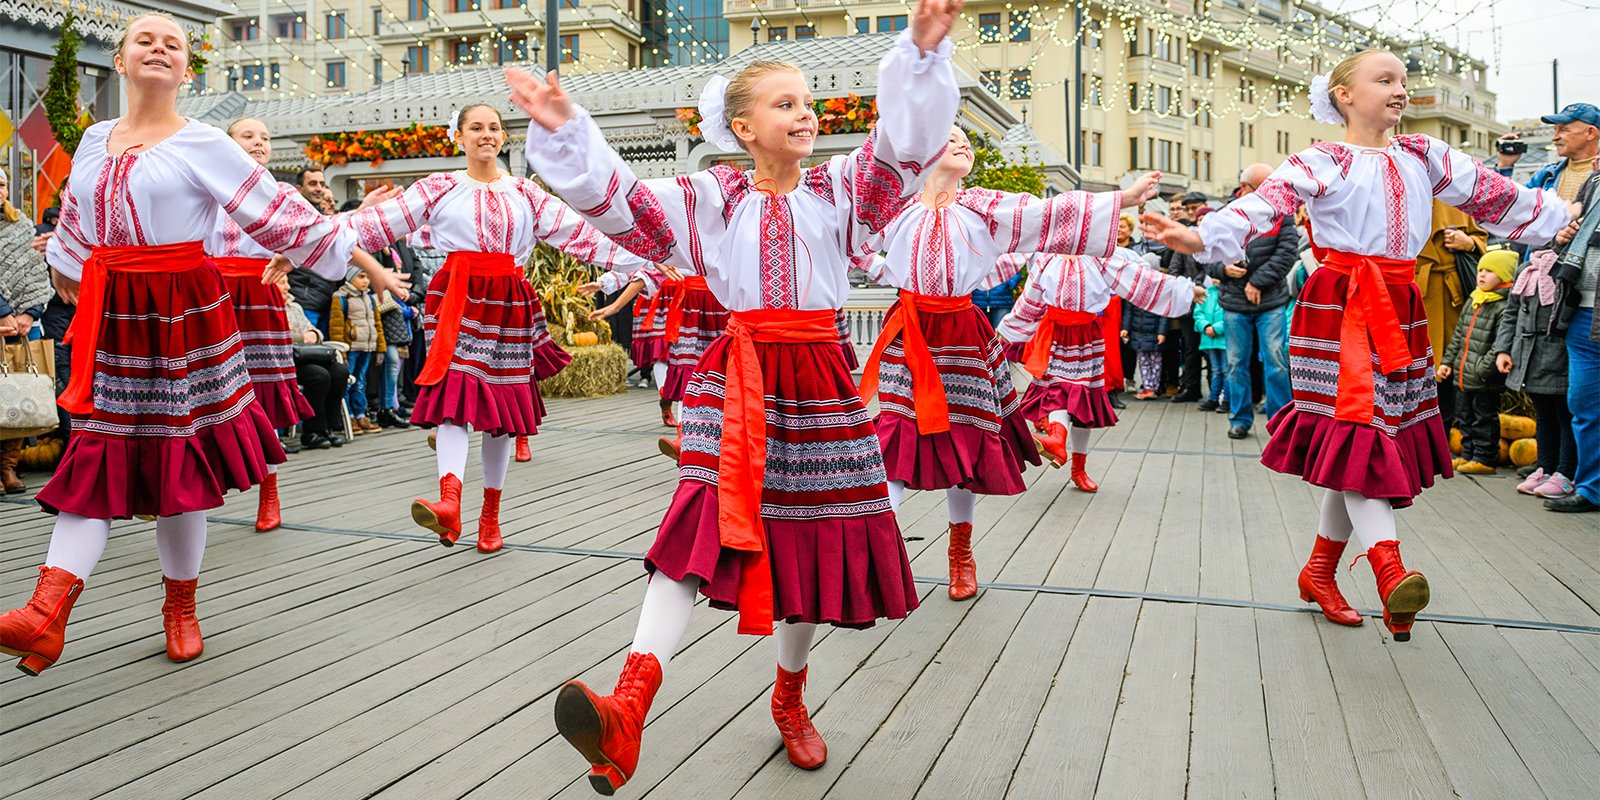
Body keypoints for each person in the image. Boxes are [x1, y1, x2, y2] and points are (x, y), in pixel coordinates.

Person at [508, 0, 961, 789]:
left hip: (818, 378)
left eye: (809, 103)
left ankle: (790, 697)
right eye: (784, 104)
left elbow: (905, 149)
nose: (806, 115)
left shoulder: (842, 188)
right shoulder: (709, 198)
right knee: (694, 524)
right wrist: (566, 132)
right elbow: (624, 202)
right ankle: (630, 704)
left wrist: (920, 57)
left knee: (813, 541)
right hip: (738, 374)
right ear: (744, 128)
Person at [0, 13, 405, 676]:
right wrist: (68, 271)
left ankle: (180, 607)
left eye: (174, 43)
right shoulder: (98, 140)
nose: (159, 48)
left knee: (177, 463)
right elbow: (75, 224)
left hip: (183, 310)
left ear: (187, 69)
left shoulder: (206, 144)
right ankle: (46, 613)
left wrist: (362, 240)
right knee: (96, 453)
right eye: (144, 40)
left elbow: (281, 215)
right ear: (122, 62)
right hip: (118, 315)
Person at [1142, 49, 1570, 641]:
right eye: (1384, 80)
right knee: (1361, 431)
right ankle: (1390, 570)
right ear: (1343, 94)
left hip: (1399, 301)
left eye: (1403, 80)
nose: (1399, 90)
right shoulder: (1323, 160)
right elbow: (1265, 206)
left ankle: (1320, 572)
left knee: (1365, 437)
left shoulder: (1425, 154)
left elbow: (1491, 192)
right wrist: (1197, 234)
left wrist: (1557, 214)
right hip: (1339, 304)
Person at [857, 126, 1155, 598]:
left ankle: (961, 554)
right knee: (898, 436)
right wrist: (888, 272)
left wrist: (1123, 198)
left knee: (966, 443)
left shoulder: (983, 206)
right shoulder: (897, 206)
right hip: (909, 333)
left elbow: (1046, 213)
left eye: (965, 140)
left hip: (961, 331)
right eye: (949, 137)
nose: (961, 144)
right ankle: (875, 548)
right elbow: (853, 239)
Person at [345, 104, 647, 553]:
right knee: (454, 394)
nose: (486, 134)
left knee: (500, 413)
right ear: (459, 136)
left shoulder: (525, 192)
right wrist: (306, 247)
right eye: (476, 127)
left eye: (493, 127)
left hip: (508, 300)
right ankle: (449, 501)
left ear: (503, 137)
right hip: (457, 297)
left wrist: (639, 256)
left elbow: (578, 233)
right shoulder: (439, 187)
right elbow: (373, 224)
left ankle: (490, 515)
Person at [203, 117, 326, 530]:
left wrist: (292, 256)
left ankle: (269, 490)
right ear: (227, 144)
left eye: (265, 137)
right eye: (248, 136)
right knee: (208, 388)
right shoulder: (205, 187)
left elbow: (318, 234)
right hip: (210, 292)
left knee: (264, 391)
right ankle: (203, 482)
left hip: (260, 289)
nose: (258, 143)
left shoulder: (283, 192)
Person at [999, 249, 1200, 488]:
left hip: (1087, 334)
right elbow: (1030, 300)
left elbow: (1140, 281)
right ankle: (1056, 441)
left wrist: (1184, 291)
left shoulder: (1102, 258)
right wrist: (1009, 330)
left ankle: (1077, 467)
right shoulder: (1046, 259)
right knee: (1058, 391)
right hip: (1055, 333)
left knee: (1083, 402)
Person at [1206, 163, 1298, 439]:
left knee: (1276, 361)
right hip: (1235, 303)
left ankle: (1280, 420)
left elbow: (1286, 254)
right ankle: (1240, 419)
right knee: (1236, 363)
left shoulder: (1283, 214)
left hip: (1269, 301)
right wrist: (1222, 270)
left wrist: (1257, 282)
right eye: (1262, 188)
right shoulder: (1224, 215)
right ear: (1244, 188)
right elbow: (1206, 255)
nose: (1268, 193)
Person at [1497, 248, 1578, 498]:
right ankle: (1546, 466)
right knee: (1542, 414)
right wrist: (1503, 349)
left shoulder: (1568, 270)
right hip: (1527, 354)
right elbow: (1511, 313)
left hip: (1556, 353)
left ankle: (1565, 472)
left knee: (1564, 414)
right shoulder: (1526, 270)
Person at [1544, 164, 1600, 512]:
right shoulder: (1594, 183)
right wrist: (1562, 236)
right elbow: (1565, 235)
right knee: (1583, 405)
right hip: (1581, 311)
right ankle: (1591, 488)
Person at [0, 167, 54, 494]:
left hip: (23, 326)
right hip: (3, 319)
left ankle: (8, 468)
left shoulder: (21, 226)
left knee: (19, 391)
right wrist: (4, 312)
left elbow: (36, 274)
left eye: (2, 184)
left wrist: (28, 313)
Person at [1438, 251, 1516, 474]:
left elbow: (1499, 344)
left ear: (1504, 276)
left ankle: (1485, 458)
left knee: (1483, 417)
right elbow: (1459, 337)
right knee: (1464, 416)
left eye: (1489, 271)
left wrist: (1483, 369)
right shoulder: (1475, 299)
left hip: (1483, 377)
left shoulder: (1502, 307)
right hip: (1463, 374)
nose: (1481, 275)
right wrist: (1447, 362)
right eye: (1480, 270)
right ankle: (1468, 453)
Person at [279, 272, 349, 450]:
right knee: (319, 376)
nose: (288, 287)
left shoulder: (294, 307)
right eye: (282, 283)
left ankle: (329, 427)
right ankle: (312, 431)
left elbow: (313, 330)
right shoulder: (271, 309)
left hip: (307, 355)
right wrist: (301, 336)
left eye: (287, 282)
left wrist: (313, 334)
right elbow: (279, 337)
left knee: (340, 371)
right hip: (286, 361)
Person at [329, 267, 386, 434]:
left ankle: (361, 414)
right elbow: (337, 328)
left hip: (367, 346)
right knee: (347, 382)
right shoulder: (341, 298)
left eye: (367, 277)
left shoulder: (369, 298)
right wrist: (342, 353)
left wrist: (380, 348)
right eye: (361, 277)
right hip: (352, 347)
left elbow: (377, 324)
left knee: (360, 382)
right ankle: (349, 417)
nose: (365, 281)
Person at [1193, 278, 1228, 411]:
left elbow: (1231, 314)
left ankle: (1226, 399)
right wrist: (1206, 326)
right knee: (1215, 370)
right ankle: (1213, 398)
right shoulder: (1207, 293)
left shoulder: (1229, 294)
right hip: (1209, 338)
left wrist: (1216, 328)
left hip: (1224, 339)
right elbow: (1198, 313)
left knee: (1225, 370)